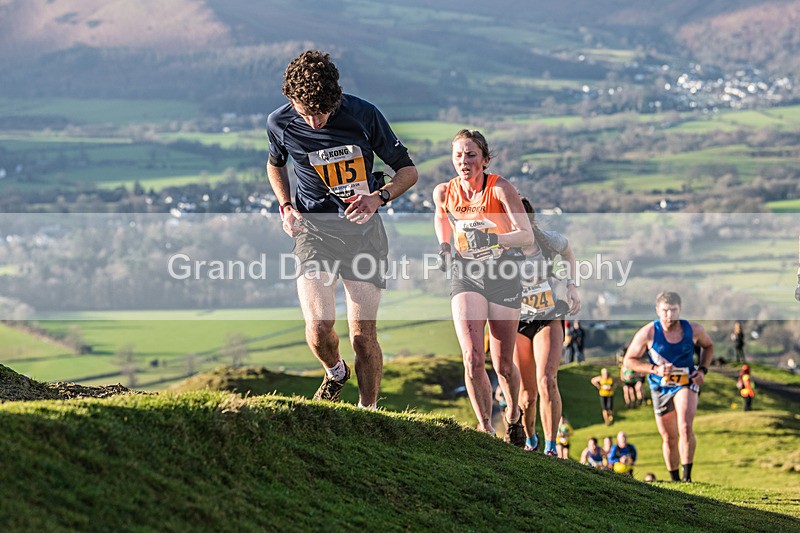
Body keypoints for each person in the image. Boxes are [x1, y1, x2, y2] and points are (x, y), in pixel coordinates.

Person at [266, 50, 419, 408]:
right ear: (291, 101)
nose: (316, 122)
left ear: (336, 99)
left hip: (363, 234)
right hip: (313, 232)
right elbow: (275, 164)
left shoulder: (363, 114)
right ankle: (335, 372)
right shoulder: (279, 123)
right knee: (320, 328)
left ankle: (369, 413)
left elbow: (408, 171)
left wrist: (379, 197)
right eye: (307, 113)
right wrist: (286, 205)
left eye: (323, 112)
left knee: (363, 338)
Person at [433, 129, 534, 446]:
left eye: (471, 154)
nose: (464, 161)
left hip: (503, 273)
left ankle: (513, 417)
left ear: (485, 159)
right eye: (458, 155)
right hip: (467, 274)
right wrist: (445, 247)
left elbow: (526, 235)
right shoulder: (444, 192)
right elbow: (441, 218)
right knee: (473, 357)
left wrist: (493, 240)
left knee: (503, 365)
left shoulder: (500, 188)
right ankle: (486, 431)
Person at [513, 198, 581, 454]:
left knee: (547, 380)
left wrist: (572, 285)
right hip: (517, 322)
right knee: (527, 394)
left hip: (548, 315)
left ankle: (552, 447)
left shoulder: (545, 239)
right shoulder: (500, 245)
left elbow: (568, 250)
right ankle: (531, 440)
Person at [623, 291, 714, 483]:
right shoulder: (648, 333)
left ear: (680, 310)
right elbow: (629, 360)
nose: (669, 315)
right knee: (668, 436)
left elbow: (709, 346)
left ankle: (686, 477)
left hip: (685, 381)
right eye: (665, 311)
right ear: (657, 310)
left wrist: (703, 370)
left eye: (673, 310)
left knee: (685, 426)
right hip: (660, 386)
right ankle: (675, 480)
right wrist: (654, 369)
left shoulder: (693, 330)